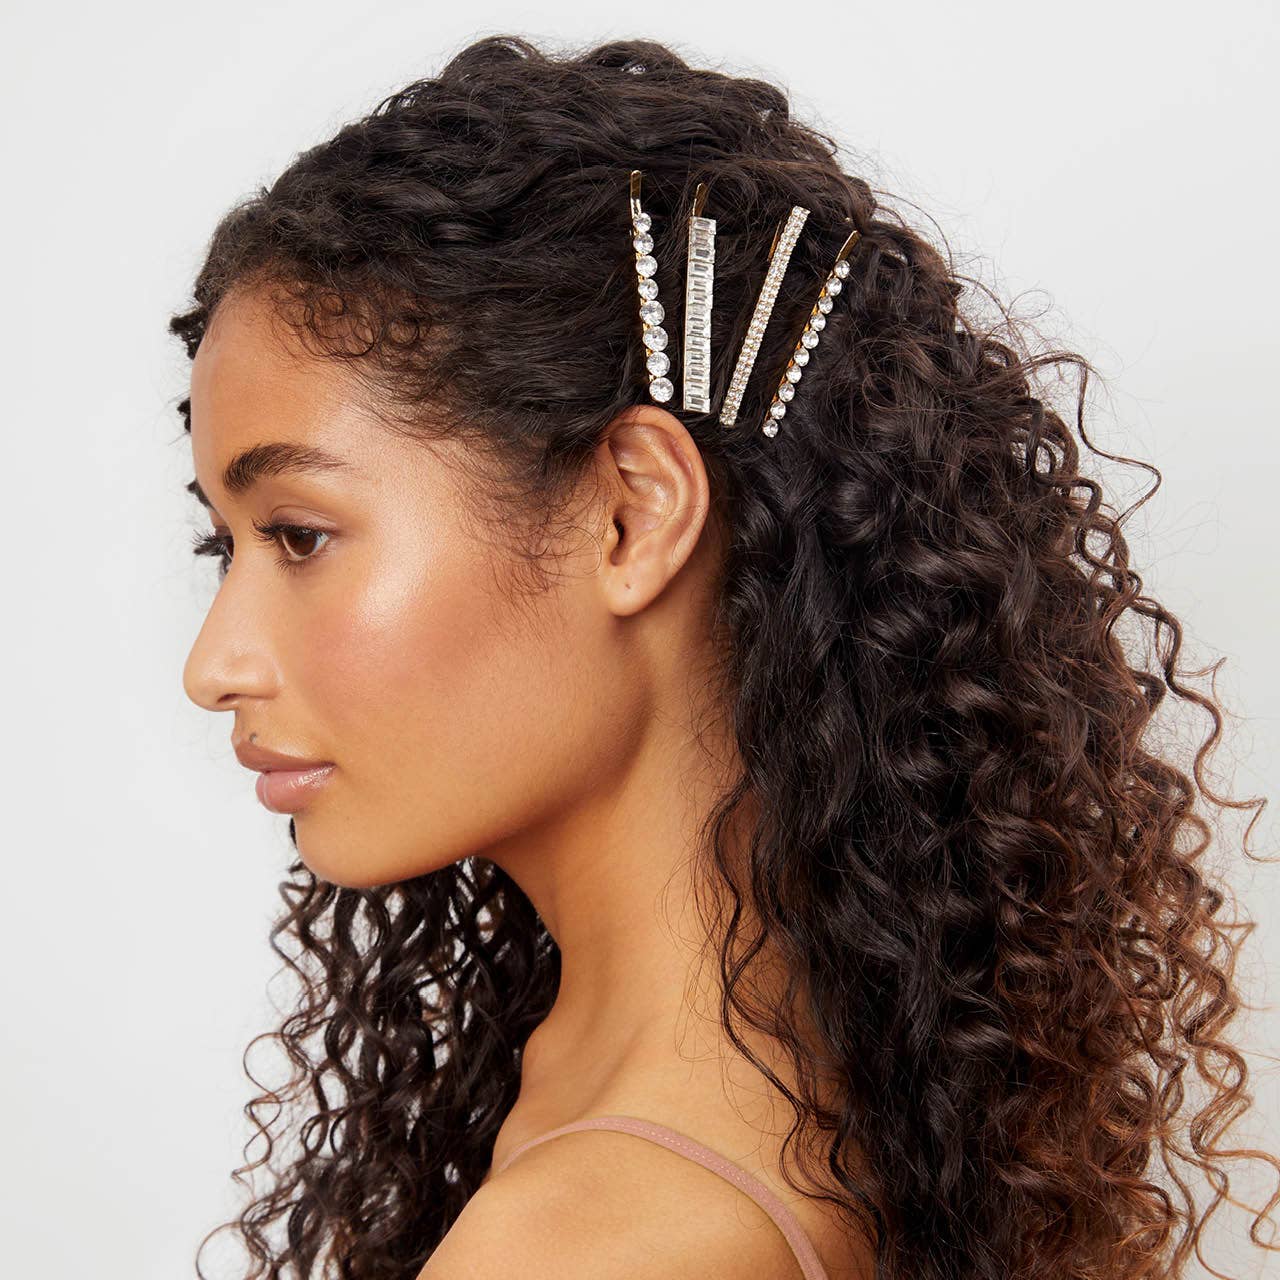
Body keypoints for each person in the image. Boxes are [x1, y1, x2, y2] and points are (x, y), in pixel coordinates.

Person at [172, 33, 1280, 1280]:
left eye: (301, 535)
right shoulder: (814, 1077)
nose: (213, 664)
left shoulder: (593, 1244)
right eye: (226, 546)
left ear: (630, 515)